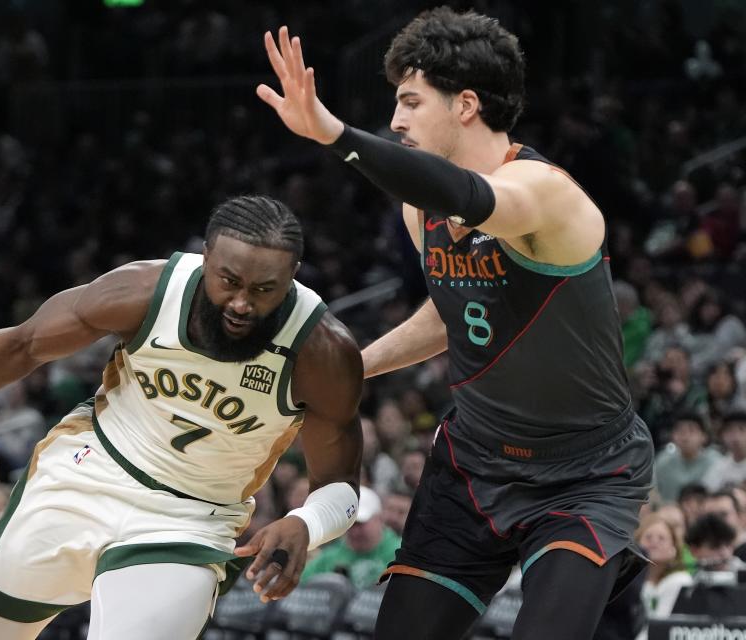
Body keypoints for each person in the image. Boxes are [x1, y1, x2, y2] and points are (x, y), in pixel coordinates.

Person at [258, 8, 653, 639]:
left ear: (465, 104)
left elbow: (476, 199)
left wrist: (335, 132)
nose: (396, 120)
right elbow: (455, 309)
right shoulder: (421, 210)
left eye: (411, 102)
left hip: (582, 474)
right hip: (472, 465)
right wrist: (351, 367)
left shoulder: (548, 193)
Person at [0, 196, 364, 640]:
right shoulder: (142, 291)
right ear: (204, 258)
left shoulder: (322, 352)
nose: (241, 302)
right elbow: (21, 346)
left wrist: (306, 522)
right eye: (228, 281)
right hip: (86, 472)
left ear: (292, 276)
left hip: (190, 519)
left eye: (264, 290)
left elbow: (340, 482)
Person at [299, 486, 401, 589]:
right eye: (349, 525)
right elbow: (299, 586)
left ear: (379, 519)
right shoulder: (329, 557)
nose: (354, 532)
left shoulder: (400, 554)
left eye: (360, 524)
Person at [653, 413, 722, 502]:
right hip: (669, 511)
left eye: (691, 430)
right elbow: (652, 492)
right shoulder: (663, 461)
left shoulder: (715, 461)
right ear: (672, 436)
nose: (685, 437)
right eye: (680, 431)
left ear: (704, 436)